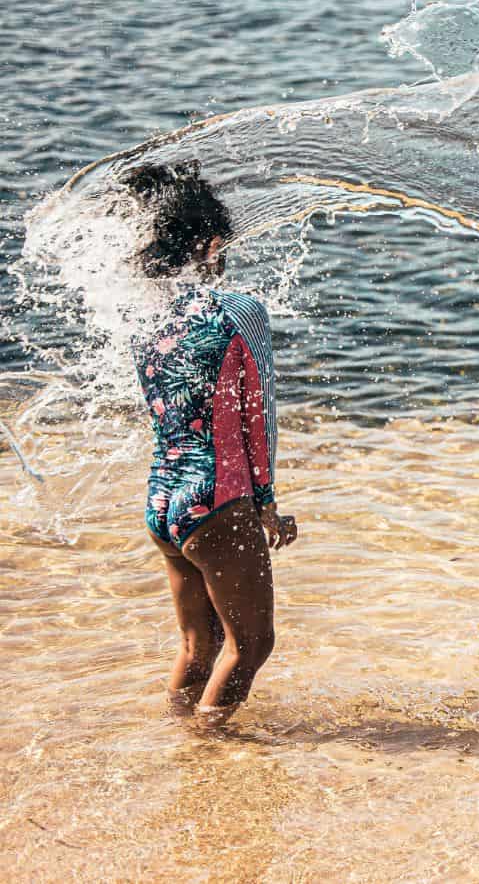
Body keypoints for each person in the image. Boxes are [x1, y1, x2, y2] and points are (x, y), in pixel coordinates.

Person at [123, 162, 297, 729]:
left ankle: (174, 739)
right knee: (251, 647)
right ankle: (205, 753)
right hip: (217, 504)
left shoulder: (145, 322)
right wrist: (266, 501)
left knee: (198, 650)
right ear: (211, 244)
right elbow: (257, 417)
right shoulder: (240, 311)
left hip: (161, 504)